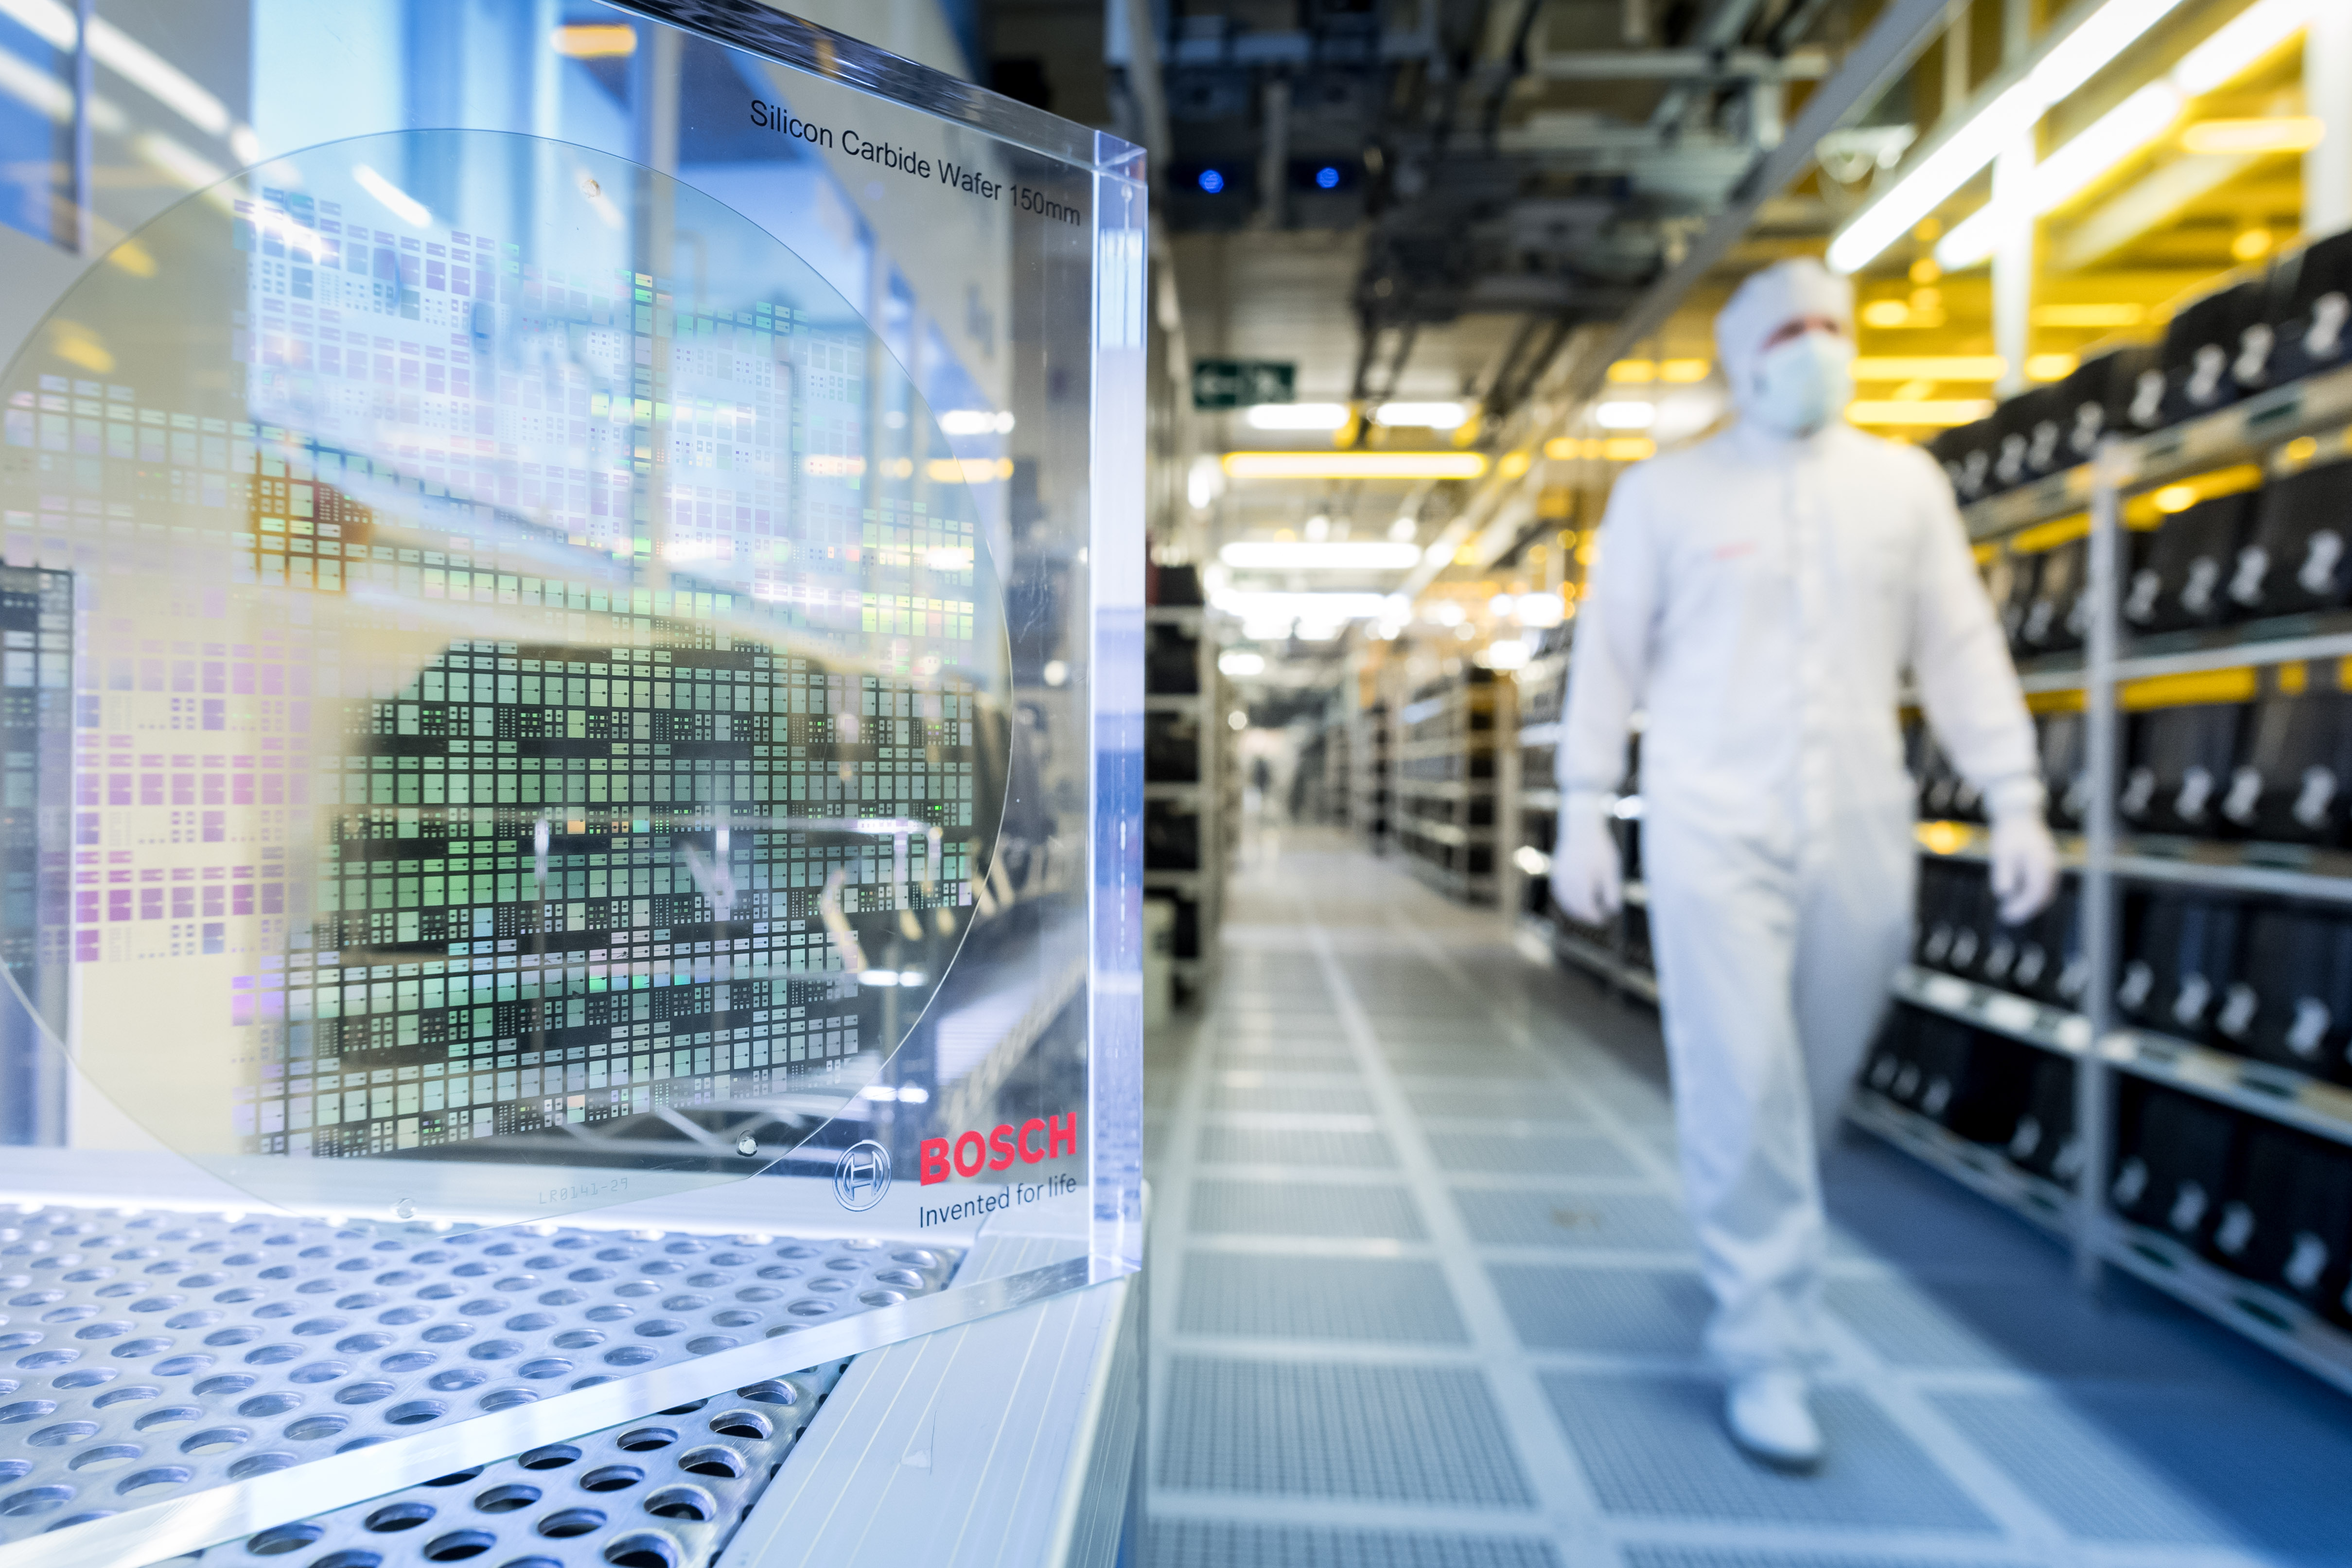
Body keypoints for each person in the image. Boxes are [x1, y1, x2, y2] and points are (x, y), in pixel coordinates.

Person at [1550, 257, 2058, 1469]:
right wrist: (1578, 803)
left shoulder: (1905, 487)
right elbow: (1607, 658)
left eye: (1835, 325)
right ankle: (1765, 1339)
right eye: (1792, 328)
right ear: (1739, 352)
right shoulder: (1666, 494)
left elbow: (1959, 648)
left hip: (1862, 825)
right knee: (1742, 1072)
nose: (1817, 345)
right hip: (1707, 819)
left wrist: (2015, 794)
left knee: (1810, 1077)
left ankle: (1758, 1234)